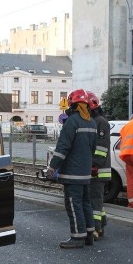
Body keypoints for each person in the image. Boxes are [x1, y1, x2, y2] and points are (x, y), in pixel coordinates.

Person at [47, 89, 98, 248]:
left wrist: (52, 166)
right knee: (85, 203)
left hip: (72, 173)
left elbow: (63, 147)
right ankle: (89, 234)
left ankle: (77, 237)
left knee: (73, 204)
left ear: (72, 103)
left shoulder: (72, 122)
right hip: (85, 172)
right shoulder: (91, 122)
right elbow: (93, 148)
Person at [87, 92, 111, 239]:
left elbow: (102, 147)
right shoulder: (95, 121)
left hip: (98, 169)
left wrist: (95, 164)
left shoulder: (100, 122)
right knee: (97, 200)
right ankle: (101, 225)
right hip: (97, 168)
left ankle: (95, 229)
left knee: (94, 199)